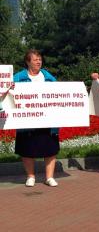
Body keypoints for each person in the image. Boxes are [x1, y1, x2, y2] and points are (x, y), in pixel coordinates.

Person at [13, 49, 60, 187]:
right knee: (27, 147)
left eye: (40, 59)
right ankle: (30, 176)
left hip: (47, 120)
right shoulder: (18, 77)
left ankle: (49, 177)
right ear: (28, 62)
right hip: (26, 120)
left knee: (50, 147)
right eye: (35, 59)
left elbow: (59, 93)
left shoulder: (49, 77)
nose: (39, 62)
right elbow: (6, 92)